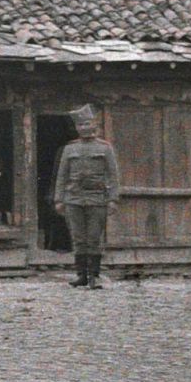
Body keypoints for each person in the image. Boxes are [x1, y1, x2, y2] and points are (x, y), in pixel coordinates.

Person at [53, 104, 120, 289]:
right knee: (78, 238)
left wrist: (113, 199)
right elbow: (62, 175)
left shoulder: (105, 148)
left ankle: (94, 277)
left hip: (97, 199)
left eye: (88, 124)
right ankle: (81, 275)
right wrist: (59, 199)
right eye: (81, 125)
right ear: (76, 128)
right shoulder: (69, 149)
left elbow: (113, 175)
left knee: (93, 238)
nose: (84, 128)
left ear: (95, 125)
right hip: (73, 199)